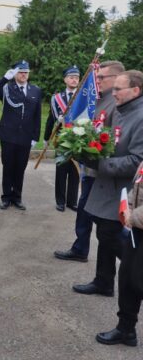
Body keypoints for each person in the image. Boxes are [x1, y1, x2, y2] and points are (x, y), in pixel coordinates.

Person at [73, 70, 143, 296]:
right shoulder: (123, 111)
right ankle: (103, 281)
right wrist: (88, 151)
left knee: (115, 238)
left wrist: (101, 163)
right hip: (108, 186)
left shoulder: (140, 117)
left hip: (123, 191)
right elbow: (111, 143)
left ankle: (134, 277)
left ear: (135, 90)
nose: (113, 94)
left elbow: (137, 161)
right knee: (104, 234)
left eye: (117, 89)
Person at [54, 61, 125, 262]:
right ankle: (80, 248)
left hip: (104, 172)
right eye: (97, 76)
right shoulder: (100, 99)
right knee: (85, 213)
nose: (97, 81)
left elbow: (114, 139)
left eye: (102, 77)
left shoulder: (117, 104)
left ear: (116, 79)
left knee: (106, 226)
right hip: (92, 170)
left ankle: (130, 262)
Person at [96, 159, 143, 347]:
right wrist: (128, 205)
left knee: (139, 280)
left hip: (138, 222)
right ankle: (126, 329)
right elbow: (137, 185)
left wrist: (134, 216)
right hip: (138, 230)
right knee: (128, 278)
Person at [0, 60, 42, 210]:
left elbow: (37, 116)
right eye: (20, 72)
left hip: (25, 137)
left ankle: (17, 197)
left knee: (20, 167)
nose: (24, 74)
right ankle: (6, 197)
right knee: (8, 166)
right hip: (8, 135)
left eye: (26, 72)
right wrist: (5, 78)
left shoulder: (35, 91)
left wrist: (35, 137)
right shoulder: (6, 88)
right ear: (15, 73)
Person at [44, 65, 80, 212]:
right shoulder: (56, 98)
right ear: (65, 79)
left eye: (77, 77)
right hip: (62, 138)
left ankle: (72, 201)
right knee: (61, 170)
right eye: (71, 77)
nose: (74, 80)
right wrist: (46, 138)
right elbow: (50, 119)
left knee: (75, 171)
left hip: (79, 138)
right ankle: (60, 201)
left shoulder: (81, 96)